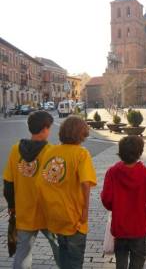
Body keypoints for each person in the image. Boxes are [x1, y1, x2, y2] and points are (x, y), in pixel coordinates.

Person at [36, 116, 97, 269]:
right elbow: (85, 184)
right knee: (75, 262)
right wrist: (85, 211)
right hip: (73, 219)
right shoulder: (81, 154)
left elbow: (41, 182)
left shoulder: (50, 152)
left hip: (55, 217)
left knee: (63, 259)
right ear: (81, 133)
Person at [2, 111, 60, 268]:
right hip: (47, 212)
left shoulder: (15, 150)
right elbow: (56, 184)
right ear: (44, 129)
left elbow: (8, 183)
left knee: (23, 253)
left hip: (24, 211)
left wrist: (12, 206)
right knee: (60, 250)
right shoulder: (51, 151)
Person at [101, 136, 146, 269]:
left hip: (119, 226)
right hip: (139, 226)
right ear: (140, 152)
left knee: (120, 260)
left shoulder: (112, 172)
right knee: (138, 259)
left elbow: (107, 200)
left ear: (120, 152)